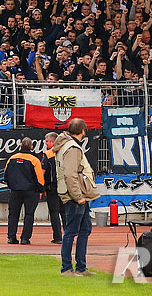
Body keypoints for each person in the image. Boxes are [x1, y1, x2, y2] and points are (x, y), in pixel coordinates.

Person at [54, 118, 99, 276]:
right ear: (83, 131)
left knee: (85, 229)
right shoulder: (72, 147)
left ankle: (81, 267)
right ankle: (67, 268)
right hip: (76, 195)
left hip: (77, 194)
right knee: (71, 231)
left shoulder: (65, 144)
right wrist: (78, 195)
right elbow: (70, 174)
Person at [4, 137, 44, 245]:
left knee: (13, 214)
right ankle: (25, 238)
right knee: (29, 214)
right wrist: (40, 190)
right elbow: (40, 178)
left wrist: (12, 186)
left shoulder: (12, 158)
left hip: (15, 190)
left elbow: (5, 175)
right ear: (31, 147)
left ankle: (11, 237)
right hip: (30, 191)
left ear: (20, 146)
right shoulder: (34, 160)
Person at [40, 131, 66, 243]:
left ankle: (57, 237)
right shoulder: (65, 152)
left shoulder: (48, 154)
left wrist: (42, 187)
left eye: (47, 141)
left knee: (54, 213)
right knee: (64, 213)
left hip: (52, 188)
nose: (46, 143)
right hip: (64, 187)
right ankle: (69, 235)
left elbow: (42, 172)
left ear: (52, 141)